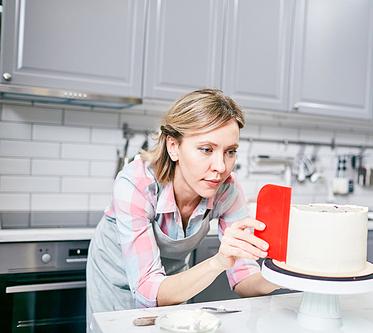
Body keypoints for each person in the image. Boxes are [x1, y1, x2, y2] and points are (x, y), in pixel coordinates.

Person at [86, 89, 280, 331]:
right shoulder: (136, 185)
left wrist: (282, 272)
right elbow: (147, 293)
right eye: (206, 150)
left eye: (230, 151)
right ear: (173, 146)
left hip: (175, 280)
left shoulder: (227, 190)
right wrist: (217, 262)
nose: (220, 167)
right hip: (115, 280)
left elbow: (243, 279)